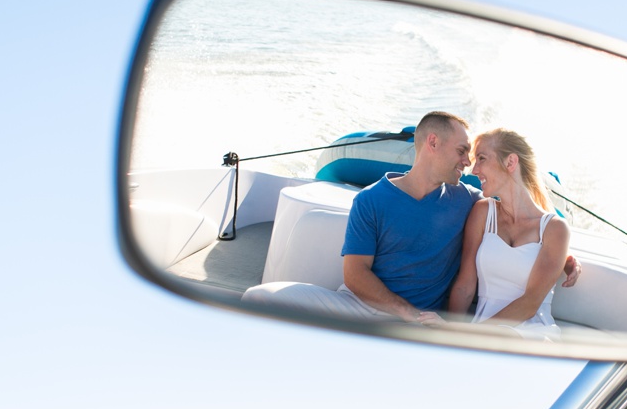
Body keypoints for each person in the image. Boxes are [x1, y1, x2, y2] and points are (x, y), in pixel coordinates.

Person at [242, 113, 579, 322]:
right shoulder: (371, 199)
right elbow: (355, 274)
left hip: (420, 323)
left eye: (475, 157)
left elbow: (520, 224)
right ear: (433, 142)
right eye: (463, 151)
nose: (468, 164)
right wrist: (407, 312)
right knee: (257, 298)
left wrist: (563, 258)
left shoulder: (468, 201)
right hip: (358, 306)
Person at [430, 128, 570, 340]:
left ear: (511, 162)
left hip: (533, 336)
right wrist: (452, 334)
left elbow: (530, 303)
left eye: (482, 159)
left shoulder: (555, 229)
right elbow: (465, 286)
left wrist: (471, 335)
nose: (474, 170)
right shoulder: (482, 213)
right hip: (483, 335)